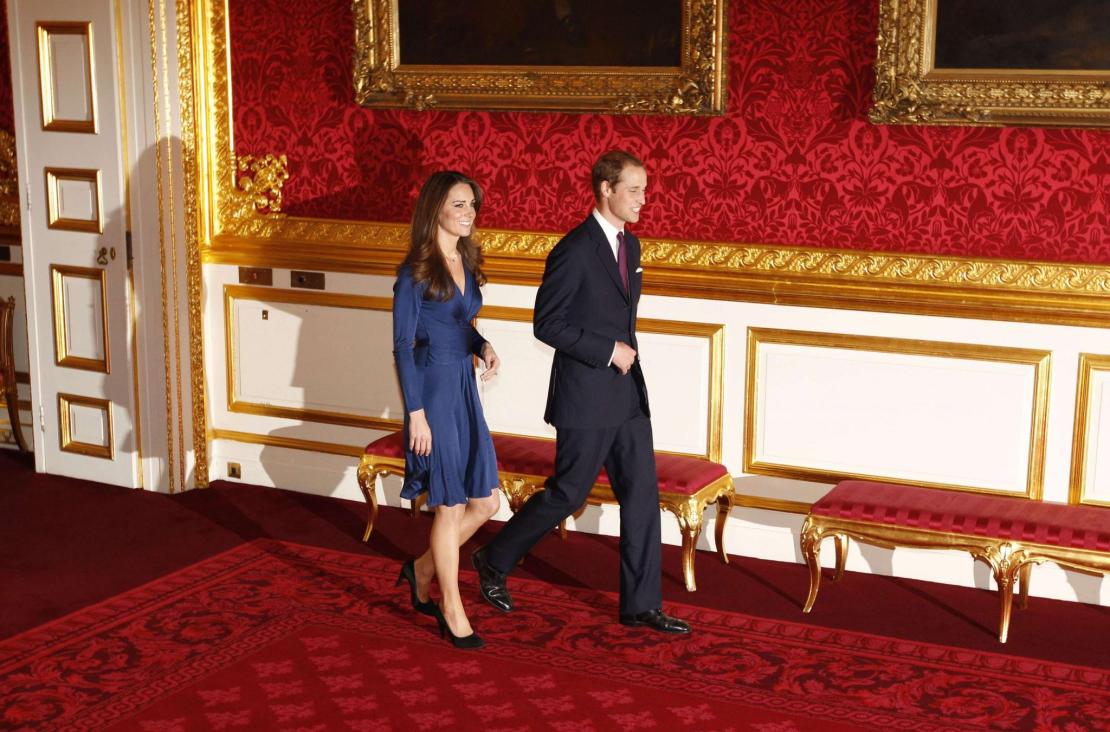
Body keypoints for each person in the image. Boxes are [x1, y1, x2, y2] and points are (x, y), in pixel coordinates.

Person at [472, 150, 690, 634]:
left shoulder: (630, 248)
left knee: (641, 497)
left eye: (645, 189)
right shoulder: (572, 249)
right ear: (606, 189)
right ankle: (494, 557)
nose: (643, 199)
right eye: (634, 190)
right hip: (586, 397)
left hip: (627, 396)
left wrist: (620, 358)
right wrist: (605, 351)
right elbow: (547, 324)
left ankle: (640, 606)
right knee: (568, 492)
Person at [392, 171, 502, 650]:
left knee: (487, 502)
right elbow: (401, 346)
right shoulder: (414, 271)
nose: (469, 213)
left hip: (462, 385)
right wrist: (415, 414)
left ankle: (420, 568)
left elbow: (462, 321)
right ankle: (452, 608)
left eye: (472, 204)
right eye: (459, 205)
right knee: (451, 503)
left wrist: (482, 344)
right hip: (432, 392)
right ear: (435, 208)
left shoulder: (464, 257)